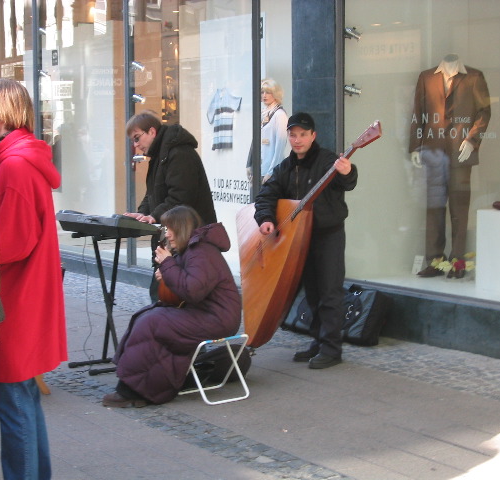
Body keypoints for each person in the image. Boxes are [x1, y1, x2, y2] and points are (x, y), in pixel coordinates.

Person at [0, 78, 67, 480]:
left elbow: (10, 244)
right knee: (23, 402)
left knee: (13, 405)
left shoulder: (13, 166)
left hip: (13, 301)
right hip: (22, 298)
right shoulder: (17, 160)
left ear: (1, 113)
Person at [102, 205, 241, 407]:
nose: (167, 234)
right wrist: (168, 272)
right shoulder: (194, 249)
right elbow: (188, 283)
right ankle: (142, 384)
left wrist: (168, 265)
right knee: (149, 316)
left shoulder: (201, 252)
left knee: (153, 323)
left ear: (182, 228)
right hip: (204, 312)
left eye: (170, 228)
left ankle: (134, 389)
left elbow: (193, 291)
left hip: (217, 318)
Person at [254, 112, 357, 369]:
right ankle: (318, 341)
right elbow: (266, 195)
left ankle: (332, 349)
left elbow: (348, 182)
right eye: (293, 134)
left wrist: (348, 172)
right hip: (299, 239)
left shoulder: (328, 161)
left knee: (330, 291)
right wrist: (265, 218)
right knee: (312, 292)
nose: (297, 140)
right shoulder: (284, 168)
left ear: (313, 136)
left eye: (302, 134)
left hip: (328, 235)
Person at [409, 54, 491, 278]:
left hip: (461, 152)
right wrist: (416, 147)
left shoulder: (474, 77)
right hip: (434, 151)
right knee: (434, 207)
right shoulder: (426, 77)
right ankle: (434, 261)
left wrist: (472, 141)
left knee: (459, 209)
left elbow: (484, 112)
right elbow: (418, 113)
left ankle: (457, 262)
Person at [124, 110, 217, 300]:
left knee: (170, 299)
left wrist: (154, 216)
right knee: (161, 297)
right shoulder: (161, 155)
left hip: (189, 239)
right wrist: (141, 214)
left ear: (152, 131)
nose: (136, 145)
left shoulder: (179, 153)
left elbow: (181, 196)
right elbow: (153, 195)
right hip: (176, 238)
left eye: (137, 138)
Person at [247, 78, 289, 183]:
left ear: (275, 93)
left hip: (270, 172)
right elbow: (255, 141)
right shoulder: (263, 114)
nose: (264, 95)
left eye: (268, 92)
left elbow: (280, 147)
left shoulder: (279, 115)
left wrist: (271, 172)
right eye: (262, 92)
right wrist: (249, 163)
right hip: (259, 170)